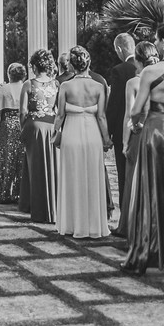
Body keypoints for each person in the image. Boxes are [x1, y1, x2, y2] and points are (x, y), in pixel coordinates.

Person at [117, 21, 164, 253]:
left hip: (156, 130)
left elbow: (137, 109)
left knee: (152, 186)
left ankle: (151, 242)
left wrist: (135, 125)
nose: (156, 43)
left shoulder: (150, 71)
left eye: (158, 39)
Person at [54, 46, 113, 239]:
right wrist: (106, 139)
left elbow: (60, 114)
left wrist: (56, 134)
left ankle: (71, 224)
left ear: (71, 65)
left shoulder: (65, 87)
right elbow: (102, 116)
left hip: (71, 132)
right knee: (92, 175)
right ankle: (93, 224)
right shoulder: (98, 86)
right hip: (93, 134)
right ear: (89, 63)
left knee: (72, 176)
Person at [118, 40, 163, 272]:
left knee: (135, 184)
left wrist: (126, 141)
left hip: (139, 134)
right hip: (161, 133)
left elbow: (130, 113)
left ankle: (134, 230)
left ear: (137, 59)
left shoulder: (134, 82)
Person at [19, 49, 59, 224]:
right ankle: (53, 205)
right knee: (51, 167)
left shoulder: (29, 84)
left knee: (34, 167)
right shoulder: (56, 84)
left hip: (34, 126)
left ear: (34, 66)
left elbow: (22, 111)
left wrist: (23, 128)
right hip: (51, 126)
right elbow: (58, 109)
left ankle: (35, 206)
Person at [107, 33, 139, 215]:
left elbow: (115, 104)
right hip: (150, 128)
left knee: (124, 175)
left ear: (119, 49)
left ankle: (127, 217)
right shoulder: (153, 66)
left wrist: (108, 133)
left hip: (123, 130)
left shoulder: (119, 70)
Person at [0, 63, 27, 204]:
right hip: (22, 125)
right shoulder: (26, 87)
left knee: (5, 159)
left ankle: (3, 193)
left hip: (7, 126)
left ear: (9, 74)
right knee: (20, 159)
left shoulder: (4, 89)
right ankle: (19, 192)